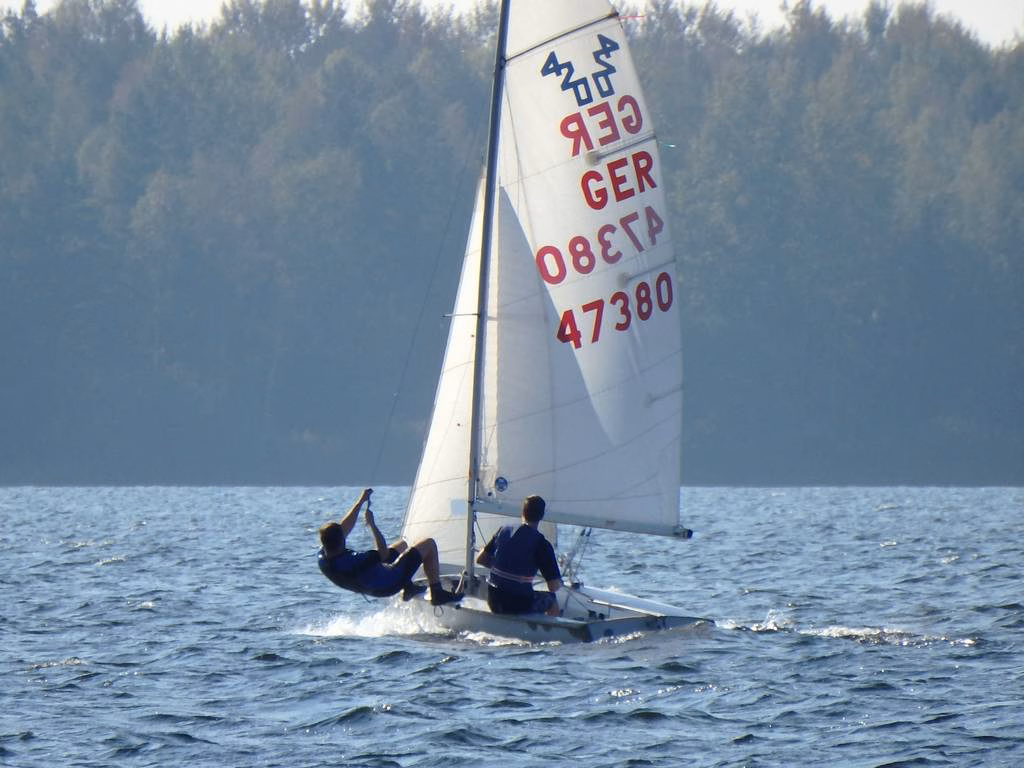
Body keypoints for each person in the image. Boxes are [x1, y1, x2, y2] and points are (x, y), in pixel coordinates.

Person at [318, 488, 461, 605]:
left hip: (372, 583)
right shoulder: (355, 561)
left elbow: (343, 528)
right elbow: (384, 554)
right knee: (429, 544)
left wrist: (361, 502)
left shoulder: (323, 557)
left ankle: (409, 588)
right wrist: (372, 525)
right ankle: (437, 592)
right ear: (342, 541)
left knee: (402, 545)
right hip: (390, 583)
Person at [476, 495, 563, 616]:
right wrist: (560, 582)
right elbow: (553, 587)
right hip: (518, 604)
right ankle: (551, 627)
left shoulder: (503, 530)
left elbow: (481, 559)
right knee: (551, 598)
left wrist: (502, 566)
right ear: (542, 516)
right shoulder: (542, 544)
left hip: (494, 600)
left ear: (523, 512)